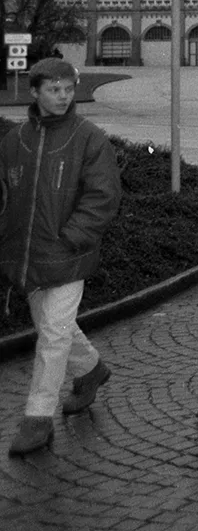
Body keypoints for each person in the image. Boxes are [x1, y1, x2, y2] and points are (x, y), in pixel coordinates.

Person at [1, 60, 121, 456]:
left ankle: (37, 420)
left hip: (69, 255)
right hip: (27, 255)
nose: (64, 96)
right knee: (57, 330)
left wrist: (73, 237)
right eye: (54, 89)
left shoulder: (89, 138)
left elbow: (102, 196)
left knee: (52, 335)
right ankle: (90, 370)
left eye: (69, 88)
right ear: (34, 91)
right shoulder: (14, 140)